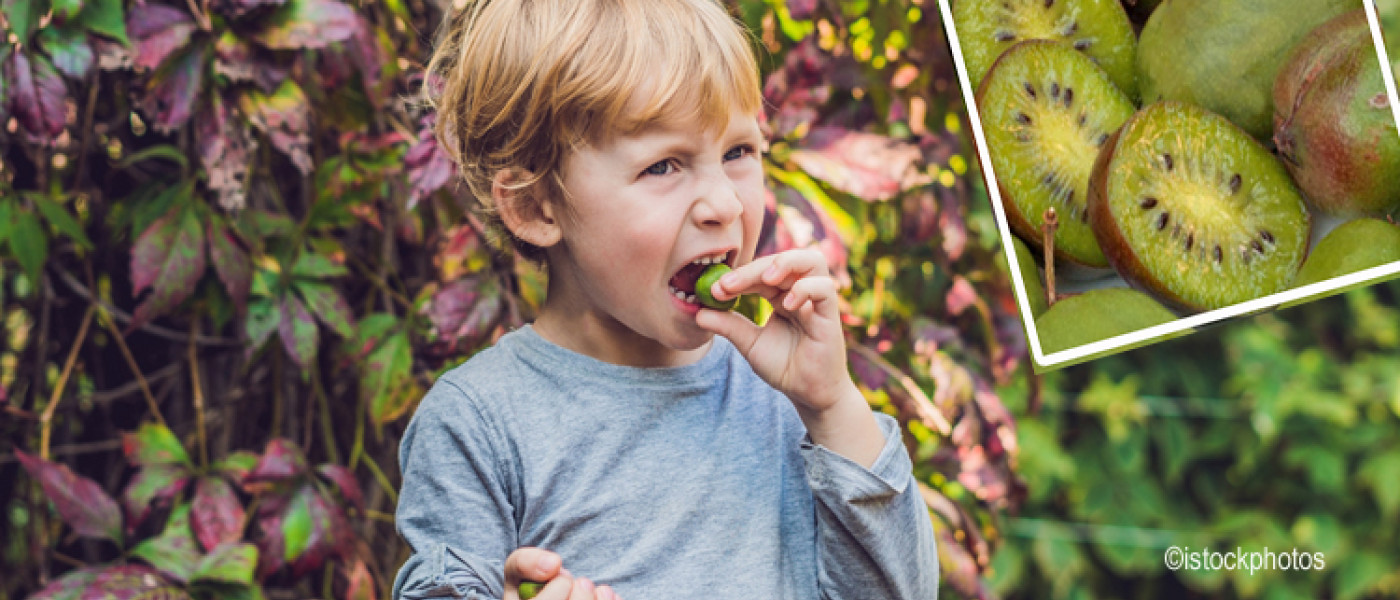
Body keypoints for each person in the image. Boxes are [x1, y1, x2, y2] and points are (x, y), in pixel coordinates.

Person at [392, 0, 940, 598]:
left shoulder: (783, 401)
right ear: (535, 207)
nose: (725, 205)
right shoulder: (478, 424)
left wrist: (834, 406)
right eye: (663, 166)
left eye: (739, 152)